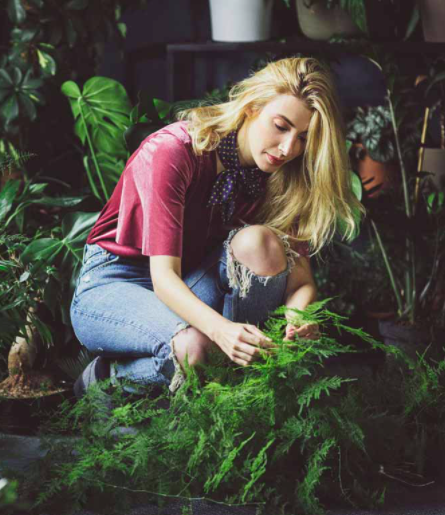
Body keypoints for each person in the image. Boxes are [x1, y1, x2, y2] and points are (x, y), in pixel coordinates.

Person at [70, 57, 362, 397]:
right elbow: (163, 278)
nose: (288, 149)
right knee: (196, 344)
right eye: (281, 126)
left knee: (262, 244)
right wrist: (222, 331)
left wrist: (297, 320)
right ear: (252, 106)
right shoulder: (173, 151)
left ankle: (234, 389)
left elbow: (302, 284)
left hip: (189, 278)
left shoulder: (282, 178)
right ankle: (102, 382)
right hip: (113, 282)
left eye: (302, 139)